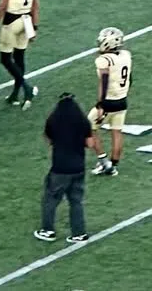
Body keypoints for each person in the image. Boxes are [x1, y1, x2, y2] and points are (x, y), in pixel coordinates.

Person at [35, 93, 91, 243]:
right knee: (76, 201)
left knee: (50, 200)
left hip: (60, 167)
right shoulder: (82, 121)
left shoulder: (54, 120)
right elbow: (90, 143)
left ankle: (48, 230)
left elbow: (48, 138)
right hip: (79, 167)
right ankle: (79, 233)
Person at [89, 27, 132, 176]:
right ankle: (114, 165)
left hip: (109, 102)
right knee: (117, 132)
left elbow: (104, 81)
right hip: (122, 99)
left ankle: (104, 161)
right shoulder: (126, 55)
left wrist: (101, 104)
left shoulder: (103, 60)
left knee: (88, 127)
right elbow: (130, 78)